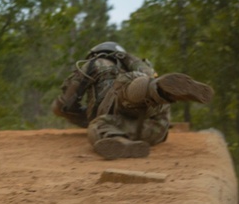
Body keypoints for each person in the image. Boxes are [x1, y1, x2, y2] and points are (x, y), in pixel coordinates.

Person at [51, 41, 214, 160]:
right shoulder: (141, 67)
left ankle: (117, 139)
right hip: (155, 129)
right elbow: (146, 74)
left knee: (99, 124)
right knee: (138, 85)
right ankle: (159, 91)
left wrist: (84, 116)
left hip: (120, 115)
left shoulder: (96, 63)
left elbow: (64, 107)